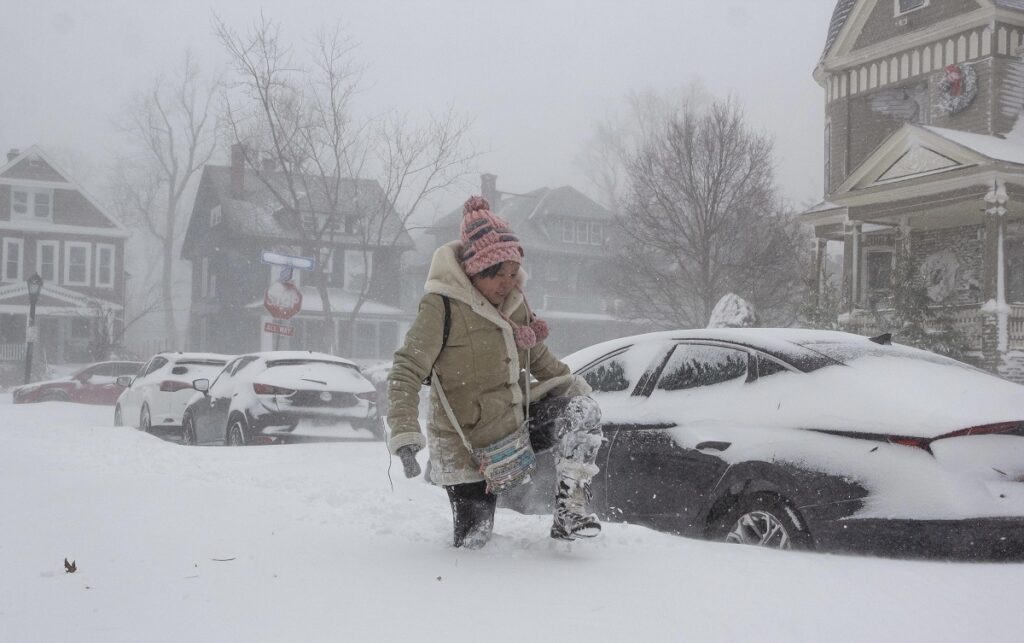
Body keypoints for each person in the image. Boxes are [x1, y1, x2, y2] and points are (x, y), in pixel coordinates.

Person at [386, 195, 604, 549]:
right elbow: (406, 370)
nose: (507, 283)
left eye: (512, 273)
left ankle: (571, 512)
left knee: (581, 410)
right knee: (475, 544)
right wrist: (406, 434)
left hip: (514, 426)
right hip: (466, 445)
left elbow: (542, 361)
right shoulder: (441, 306)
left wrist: (582, 391)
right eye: (497, 274)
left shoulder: (514, 307)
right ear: (474, 271)